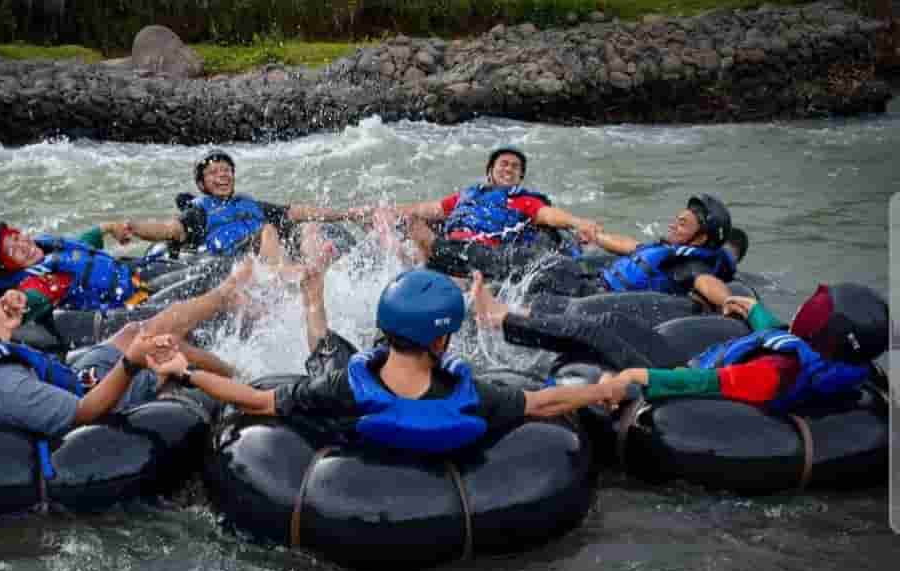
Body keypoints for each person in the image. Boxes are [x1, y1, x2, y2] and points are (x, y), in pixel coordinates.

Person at [143, 266, 631, 455]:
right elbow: (545, 403)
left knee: (323, 352)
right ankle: (313, 295)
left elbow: (253, 399)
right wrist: (603, 390)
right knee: (327, 352)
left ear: (387, 329)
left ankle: (314, 297)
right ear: (441, 342)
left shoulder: (340, 389)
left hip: (354, 391)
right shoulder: (471, 396)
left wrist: (184, 372)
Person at [0, 262, 251, 437]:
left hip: (72, 379)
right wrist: (129, 365)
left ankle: (225, 298)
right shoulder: (6, 389)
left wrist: (2, 330)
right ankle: (244, 380)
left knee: (133, 329)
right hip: (93, 398)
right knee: (169, 345)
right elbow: (84, 415)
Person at [472, 275, 889, 413]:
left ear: (822, 330)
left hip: (687, 372)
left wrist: (636, 377)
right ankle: (516, 313)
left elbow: (703, 385)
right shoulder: (830, 359)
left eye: (812, 310)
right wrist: (747, 308)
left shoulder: (772, 374)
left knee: (597, 332)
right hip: (704, 358)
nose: (802, 309)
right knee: (614, 318)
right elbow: (776, 329)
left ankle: (499, 319)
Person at [348, 147, 603, 279]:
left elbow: (548, 215)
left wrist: (577, 222)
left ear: (520, 177)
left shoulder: (524, 200)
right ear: (489, 171)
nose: (509, 169)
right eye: (503, 164)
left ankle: (425, 272)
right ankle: (408, 268)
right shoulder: (467, 195)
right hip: (451, 244)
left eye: (515, 167)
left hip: (483, 254)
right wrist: (380, 210)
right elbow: (430, 208)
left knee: (423, 237)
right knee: (403, 223)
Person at [120, 149, 356, 272]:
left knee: (309, 225)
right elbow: (169, 229)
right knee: (267, 230)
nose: (222, 175)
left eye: (226, 171)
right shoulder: (199, 212)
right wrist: (134, 227)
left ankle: (315, 265)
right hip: (233, 259)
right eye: (214, 173)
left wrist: (348, 214)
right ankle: (283, 275)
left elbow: (296, 211)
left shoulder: (250, 204)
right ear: (201, 184)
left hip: (269, 250)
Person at [522, 194, 748, 311]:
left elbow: (707, 283)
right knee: (550, 264)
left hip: (599, 299)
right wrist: (595, 236)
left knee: (540, 281)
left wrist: (733, 302)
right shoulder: (668, 249)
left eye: (682, 224)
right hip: (592, 282)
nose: (672, 226)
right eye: (676, 220)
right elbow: (629, 246)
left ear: (700, 238)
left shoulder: (690, 266)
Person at [0, 218, 185, 329]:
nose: (22, 244)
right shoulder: (38, 283)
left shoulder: (45, 248)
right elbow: (30, 299)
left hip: (134, 280)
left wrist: (108, 228)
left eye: (16, 236)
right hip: (132, 306)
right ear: (7, 269)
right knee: (200, 285)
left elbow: (79, 247)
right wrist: (15, 306)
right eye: (12, 252)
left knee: (197, 271)